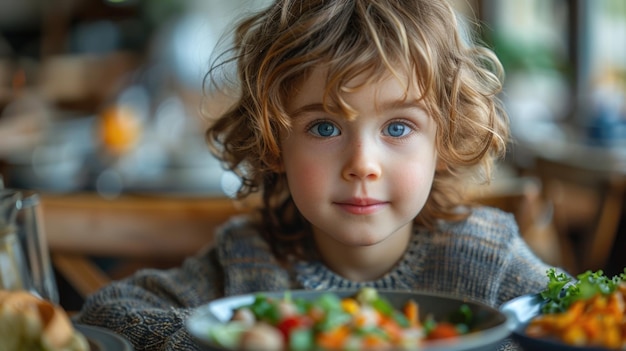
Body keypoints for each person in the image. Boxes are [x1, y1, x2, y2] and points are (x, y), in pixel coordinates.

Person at [75, 1, 564, 350]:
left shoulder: (488, 258)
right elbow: (107, 312)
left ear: (444, 139)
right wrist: (227, 336)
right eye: (324, 126)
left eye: (398, 127)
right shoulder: (248, 261)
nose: (362, 164)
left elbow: (580, 322)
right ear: (274, 143)